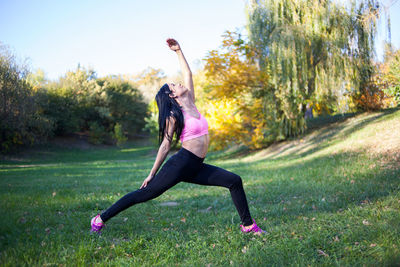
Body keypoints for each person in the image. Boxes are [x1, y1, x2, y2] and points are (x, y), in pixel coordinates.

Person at [90, 38, 266, 235]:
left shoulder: (191, 101)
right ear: (172, 95)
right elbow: (165, 146)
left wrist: (178, 51)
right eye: (173, 85)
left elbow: (188, 73)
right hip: (181, 164)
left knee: (234, 180)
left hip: (196, 165)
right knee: (145, 194)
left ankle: (248, 226)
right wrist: (152, 173)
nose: (178, 83)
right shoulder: (175, 116)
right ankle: (100, 218)